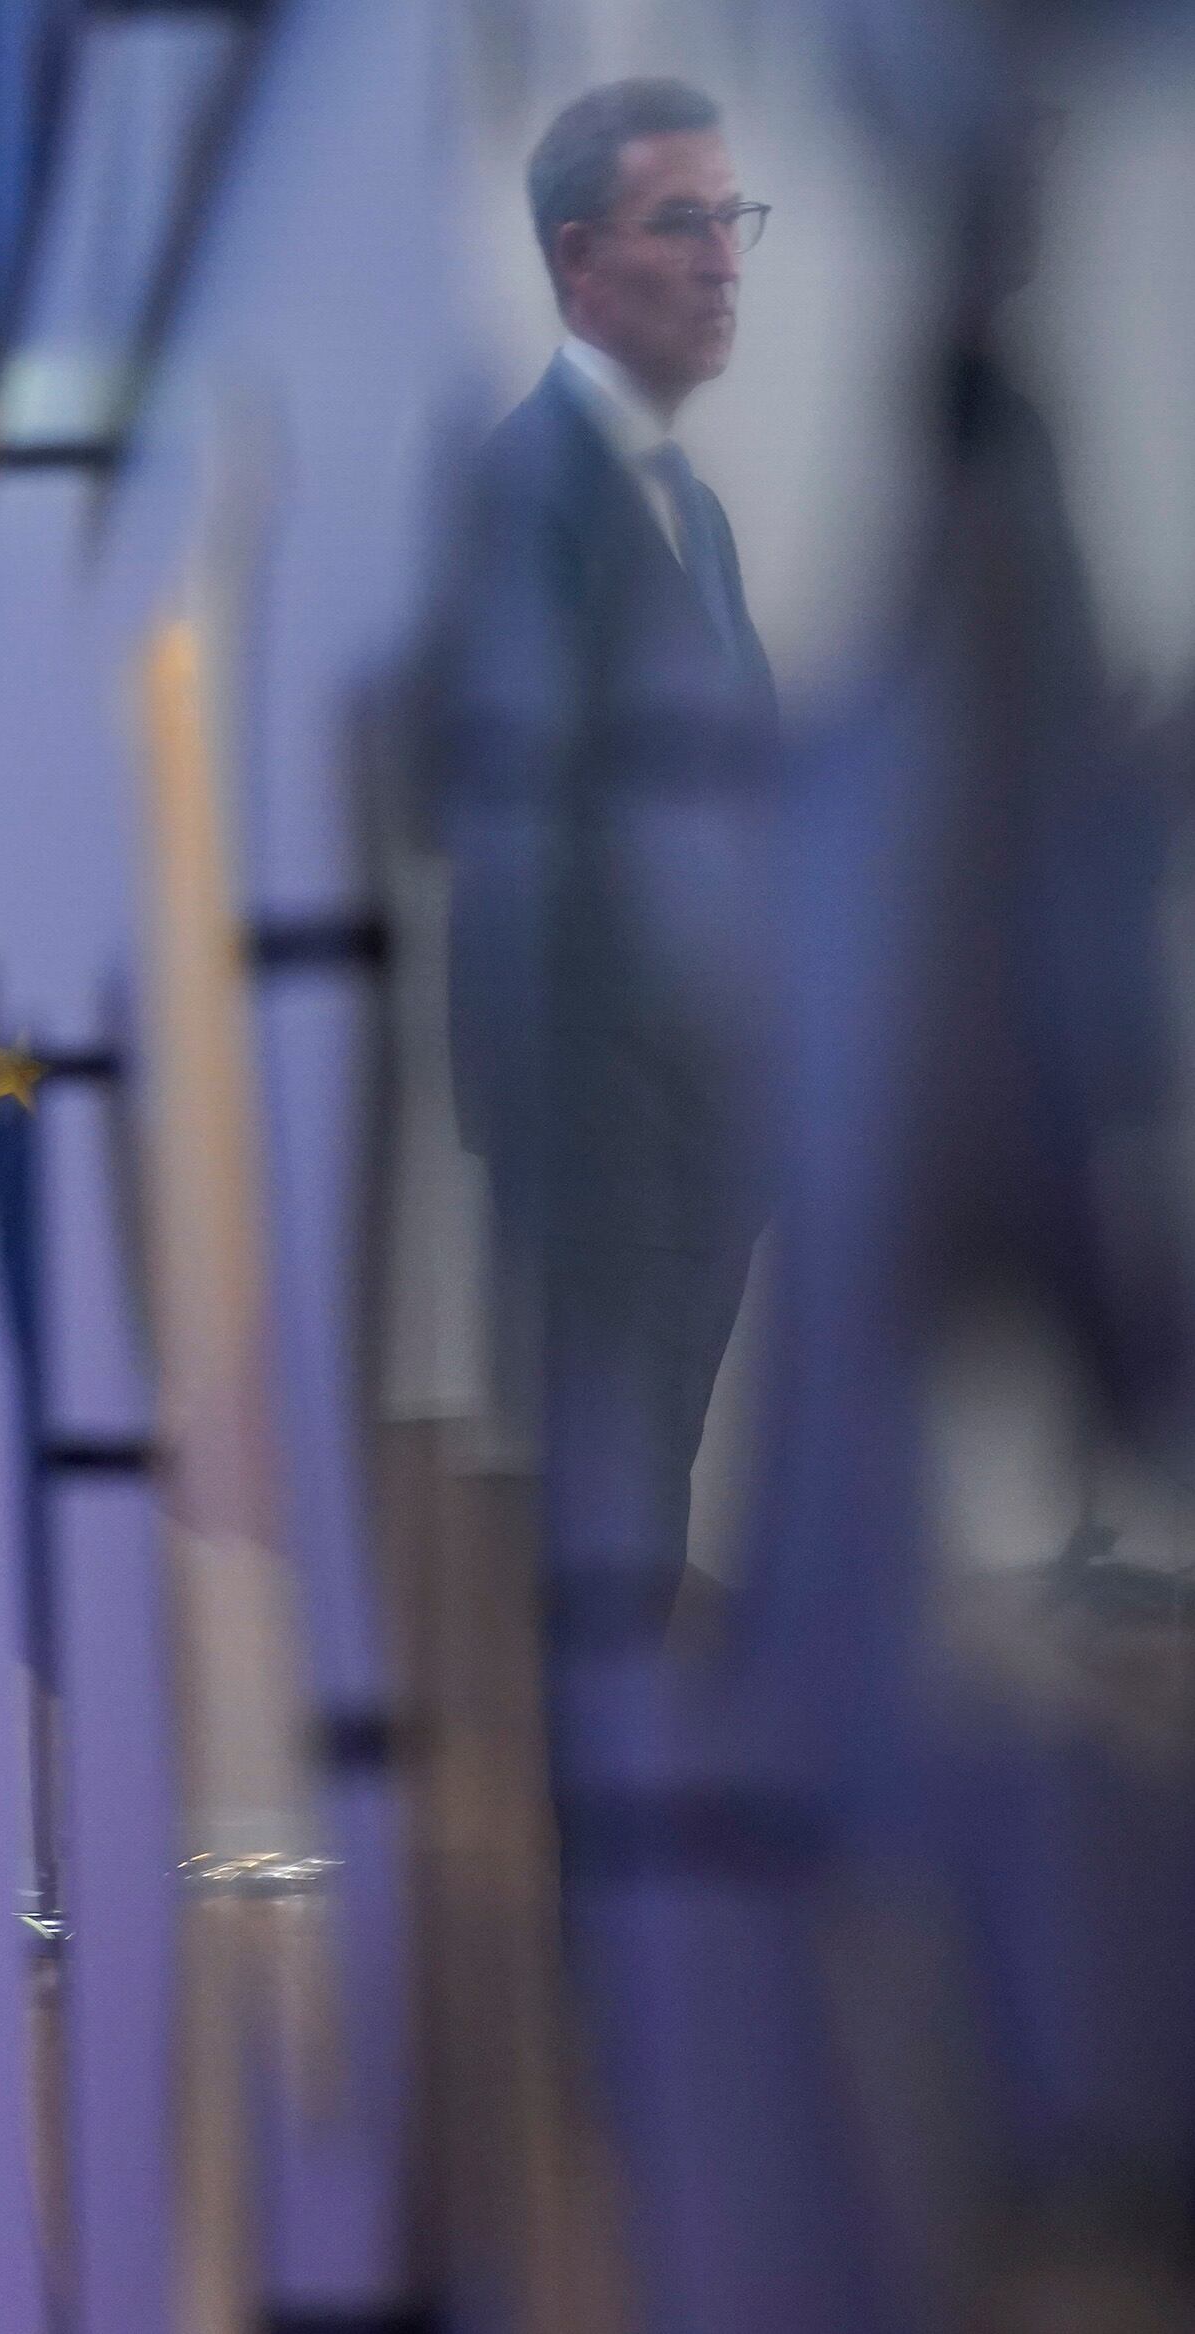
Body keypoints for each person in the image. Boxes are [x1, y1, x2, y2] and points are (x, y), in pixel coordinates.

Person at [433, 78, 779, 1725]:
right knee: (611, 1505)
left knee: (655, 1485)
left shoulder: (689, 512)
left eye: (735, 219)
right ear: (582, 261)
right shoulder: (521, 492)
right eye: (683, 221)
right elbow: (509, 830)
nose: (724, 261)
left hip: (706, 1112)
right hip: (599, 1122)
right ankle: (604, 1898)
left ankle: (637, 1824)